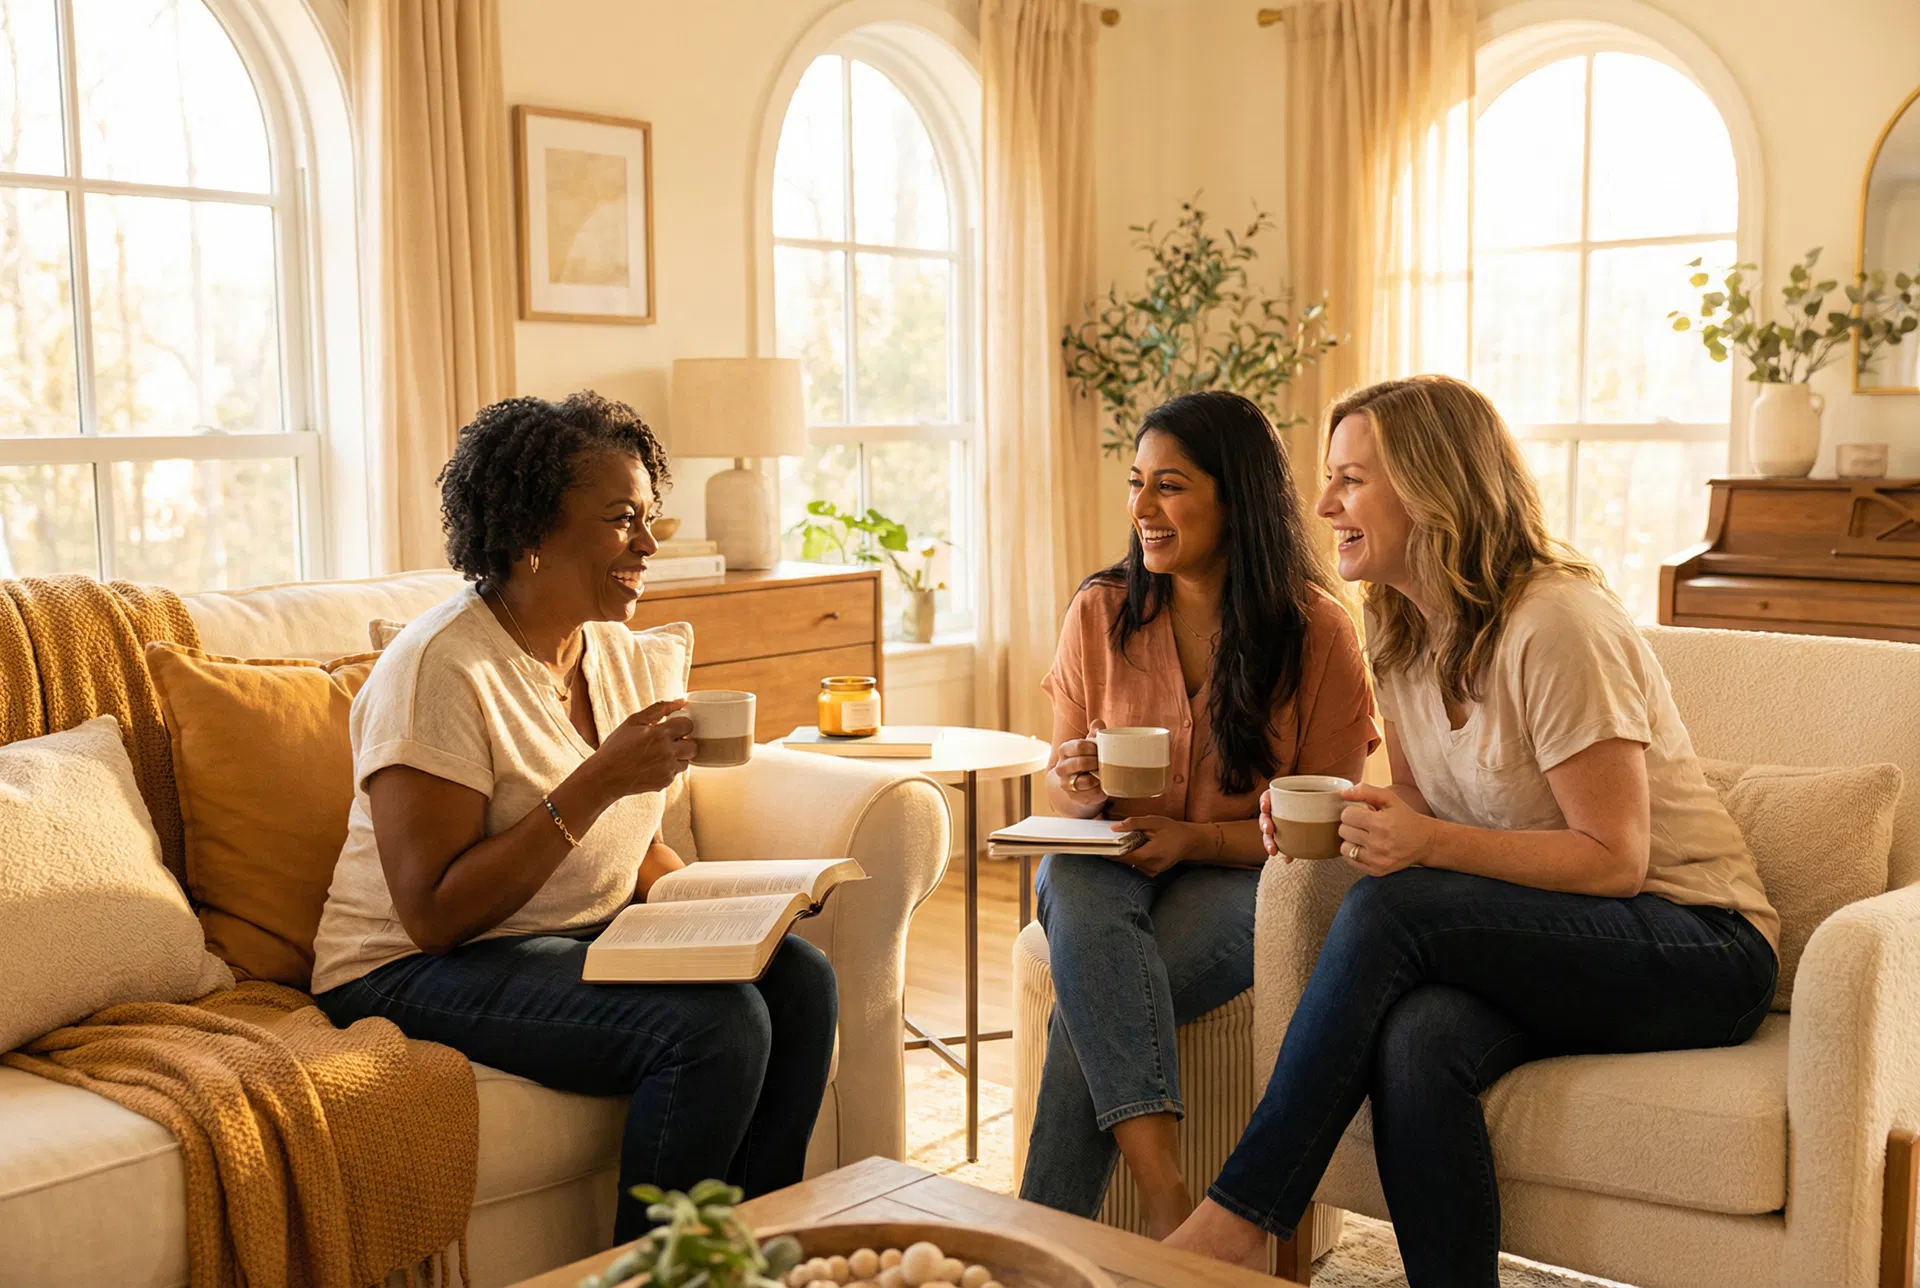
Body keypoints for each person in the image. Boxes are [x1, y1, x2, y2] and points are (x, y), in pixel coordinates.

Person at [1164, 375, 1779, 1286]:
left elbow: (1617, 861)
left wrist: (1424, 850)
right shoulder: (1402, 627)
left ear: (1432, 488)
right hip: (1551, 939)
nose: (1325, 504)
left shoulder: (1556, 622)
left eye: (1351, 480)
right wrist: (1337, 817)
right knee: (1418, 1042)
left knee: (1390, 913)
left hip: (1697, 945)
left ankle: (1243, 1215)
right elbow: (1421, 815)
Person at [310, 392, 837, 1243]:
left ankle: (750, 1256)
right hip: (408, 967)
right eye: (622, 519)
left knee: (799, 978)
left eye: (649, 516)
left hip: (572, 936)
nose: (649, 543)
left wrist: (742, 913)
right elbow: (435, 915)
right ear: (531, 531)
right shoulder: (441, 671)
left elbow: (639, 852)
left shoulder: (619, 656)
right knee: (715, 1025)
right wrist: (596, 781)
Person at [1019, 390, 1378, 1236]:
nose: (1142, 508)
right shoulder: (1100, 612)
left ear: (1235, 496)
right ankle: (1168, 1200)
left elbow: (1323, 833)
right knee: (1072, 875)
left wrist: (1198, 839)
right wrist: (1074, 782)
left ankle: (1034, 1242)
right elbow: (1064, 791)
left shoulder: (1319, 633)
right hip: (1111, 865)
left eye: (1169, 486)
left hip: (1248, 877)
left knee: (1091, 1001)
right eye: (1137, 483)